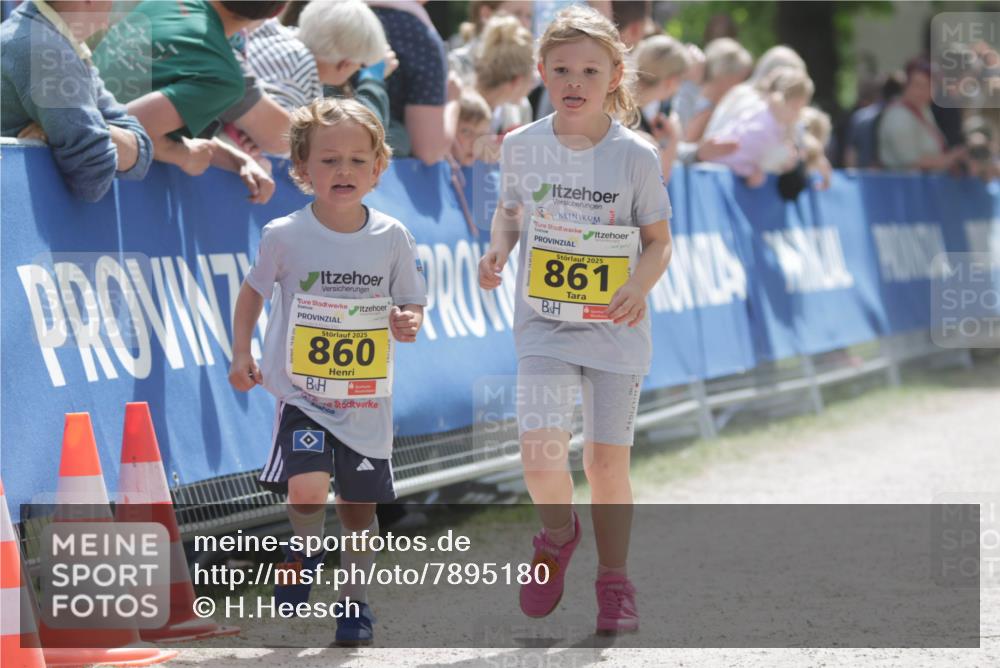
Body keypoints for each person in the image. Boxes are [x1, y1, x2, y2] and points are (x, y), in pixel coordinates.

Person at [477, 5, 672, 635]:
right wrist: (500, 249)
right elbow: (510, 211)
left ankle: (614, 580)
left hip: (616, 327)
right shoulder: (521, 146)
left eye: (590, 69)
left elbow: (660, 241)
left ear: (615, 75)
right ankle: (558, 537)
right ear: (541, 71)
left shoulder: (637, 155)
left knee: (606, 466)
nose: (574, 80)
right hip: (544, 324)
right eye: (561, 68)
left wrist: (639, 287)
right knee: (540, 455)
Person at [228, 98, 426, 646]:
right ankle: (304, 547)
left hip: (365, 402)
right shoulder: (284, 234)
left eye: (358, 161)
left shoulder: (392, 237)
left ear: (378, 168)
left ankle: (355, 606)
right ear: (302, 168)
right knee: (309, 488)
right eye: (329, 160)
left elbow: (410, 303)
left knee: (358, 511)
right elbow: (252, 294)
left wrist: (407, 322)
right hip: (302, 394)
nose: (344, 171)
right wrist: (240, 351)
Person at [93, 0, 282, 203]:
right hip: (92, 183)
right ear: (276, 12)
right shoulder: (223, 77)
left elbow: (147, 119)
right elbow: (115, 126)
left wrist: (237, 159)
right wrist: (182, 155)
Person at [1, 0, 152, 202]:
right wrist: (91, 129)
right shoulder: (46, 49)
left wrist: (80, 128)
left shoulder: (48, 36)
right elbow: (93, 178)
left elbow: (141, 150)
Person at [246, 0, 389, 113]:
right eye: (360, 65)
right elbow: (275, 136)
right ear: (344, 64)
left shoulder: (271, 30)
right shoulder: (303, 73)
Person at [705, 66, 814, 187]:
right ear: (778, 99)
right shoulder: (761, 126)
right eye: (795, 108)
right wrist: (750, 171)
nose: (797, 115)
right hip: (713, 180)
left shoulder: (776, 125)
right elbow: (732, 155)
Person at [877, 58, 966, 172]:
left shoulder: (923, 110)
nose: (923, 91)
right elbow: (912, 161)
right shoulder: (898, 116)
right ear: (906, 85)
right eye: (918, 85)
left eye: (929, 86)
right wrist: (952, 157)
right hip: (904, 187)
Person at [472, 15, 536, 137]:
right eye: (532, 79)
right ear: (517, 81)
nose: (531, 87)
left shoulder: (521, 109)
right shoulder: (463, 107)